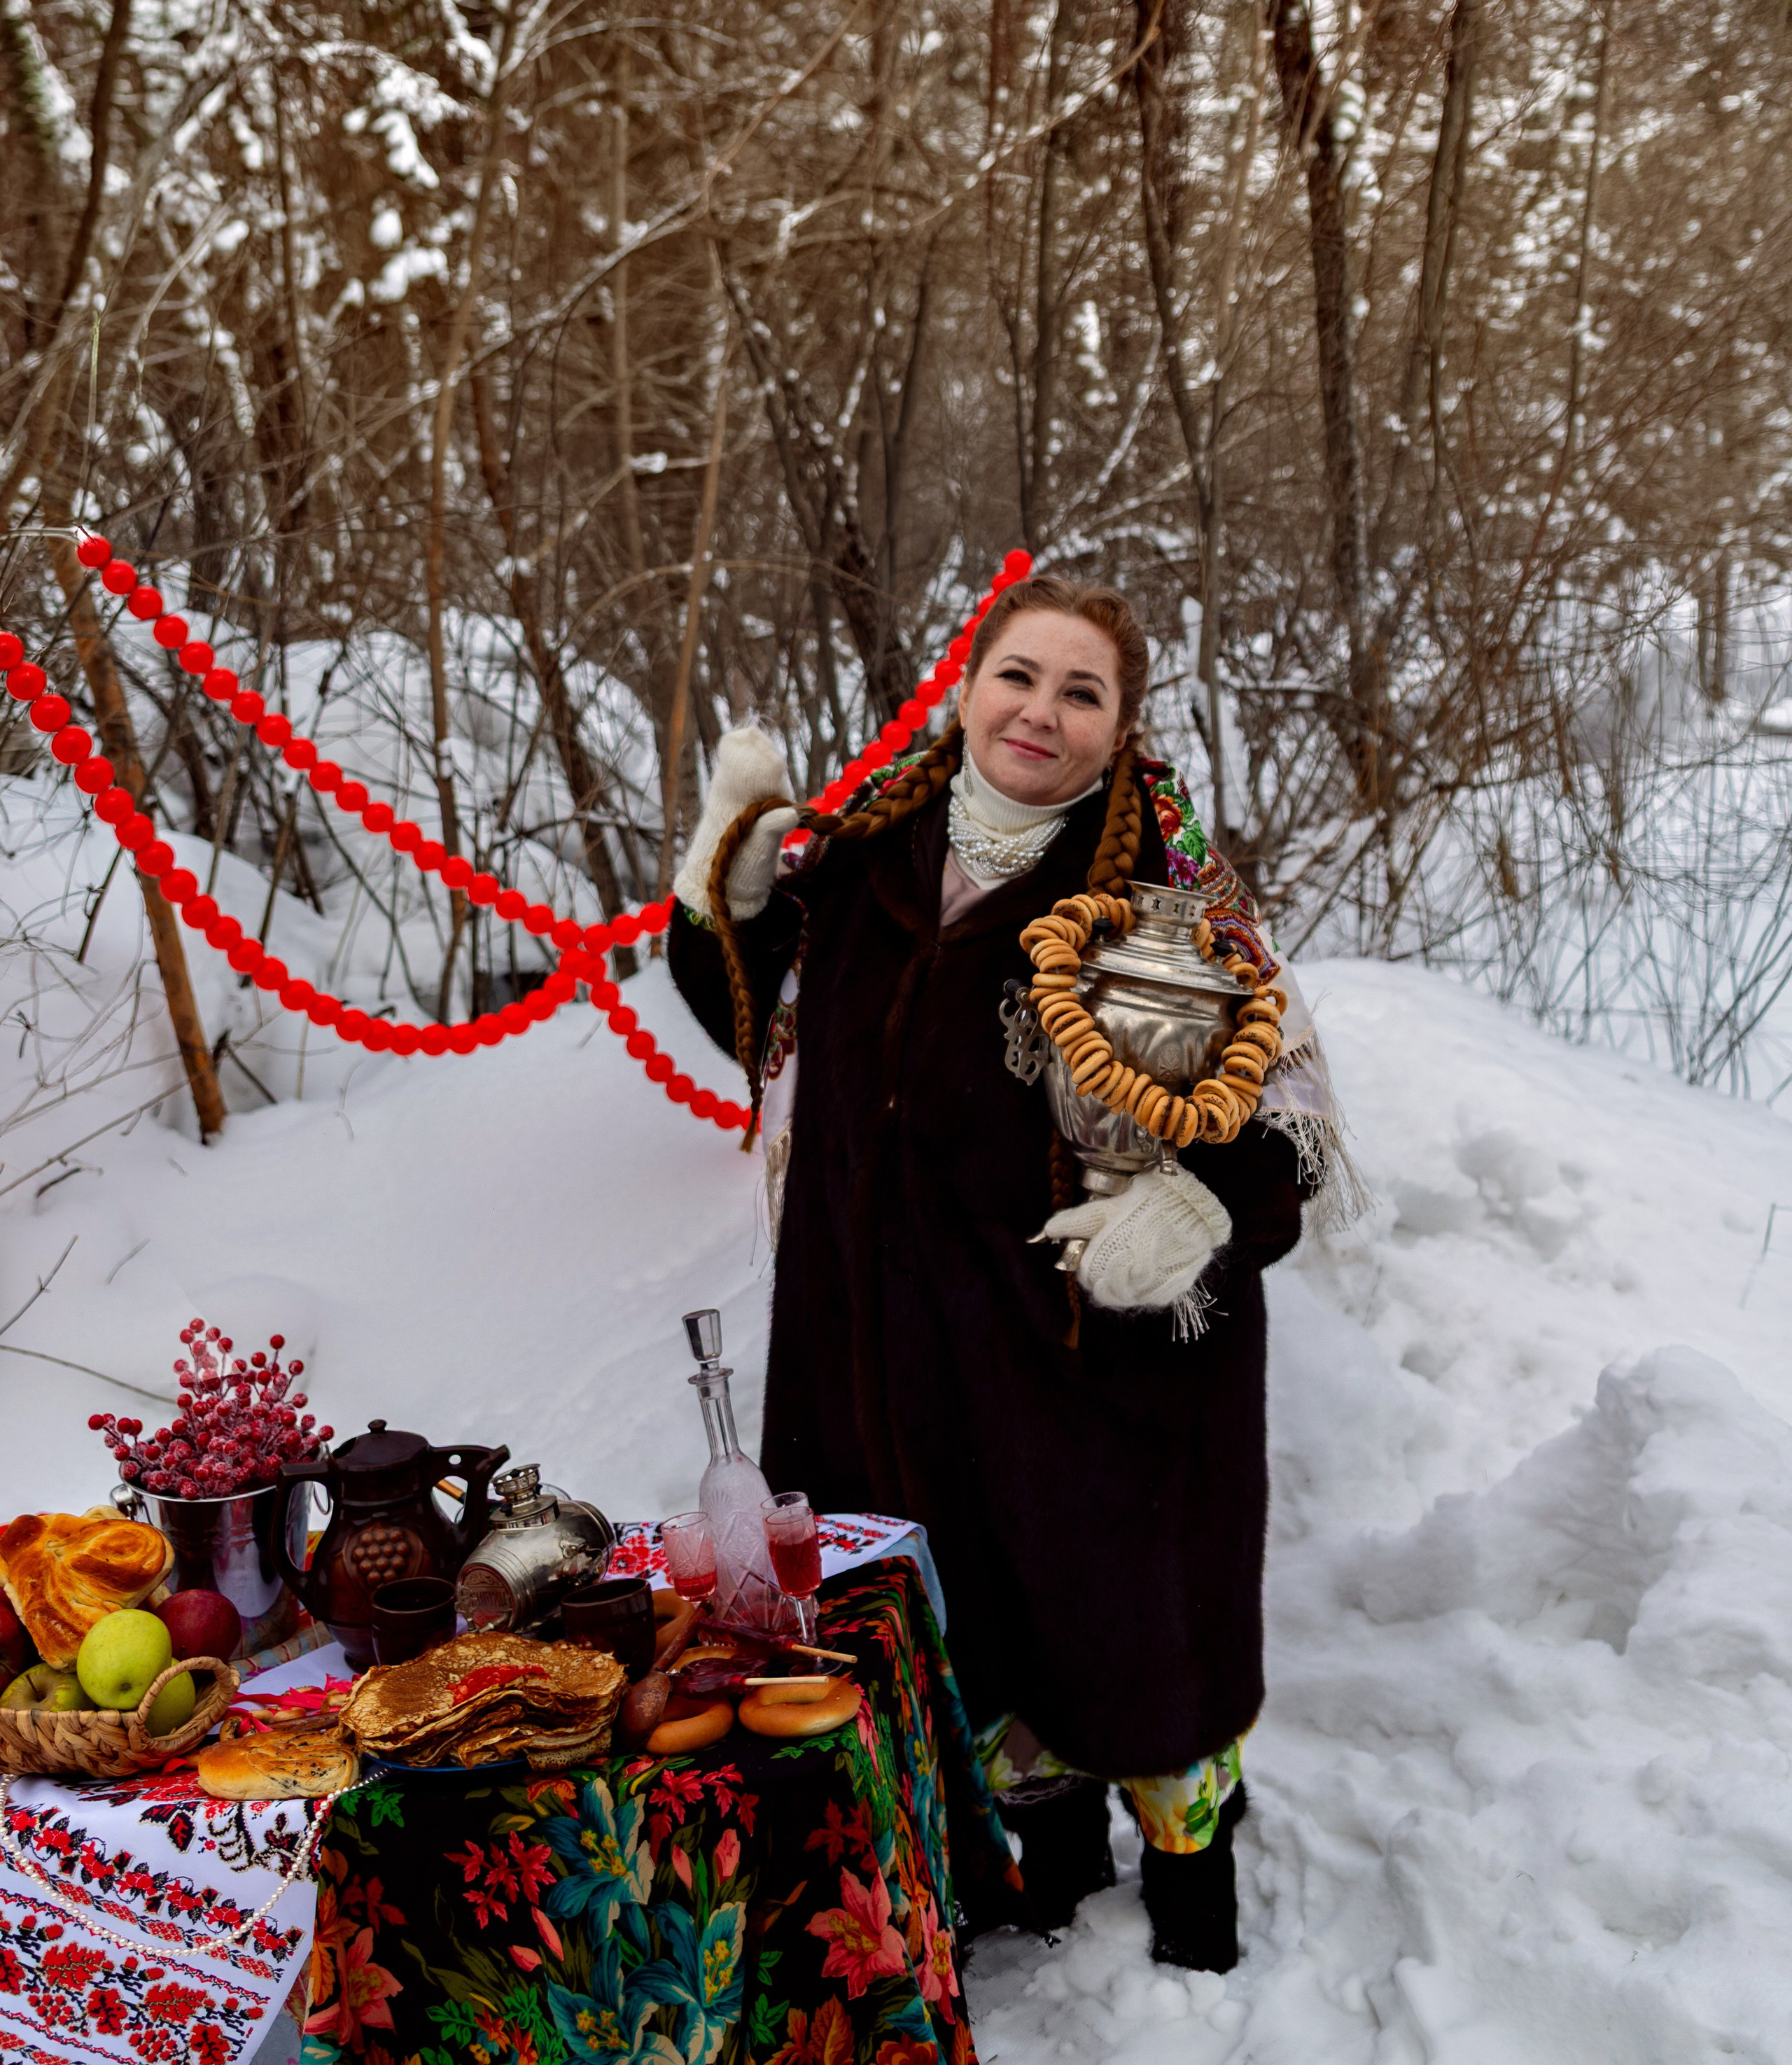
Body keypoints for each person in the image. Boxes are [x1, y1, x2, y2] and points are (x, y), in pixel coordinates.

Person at [667, 576, 1356, 1970]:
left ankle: (1191, 1909)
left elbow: (1281, 1116)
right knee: (954, 1620)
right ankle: (1030, 1867)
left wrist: (1202, 1209)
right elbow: (757, 1018)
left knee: (1126, 1637)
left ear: (1119, 728)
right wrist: (717, 901)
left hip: (1094, 1363)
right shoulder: (867, 854)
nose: (1038, 711)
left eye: (1079, 691)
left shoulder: (1157, 888)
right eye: (1017, 676)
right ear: (964, 685)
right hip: (884, 1345)